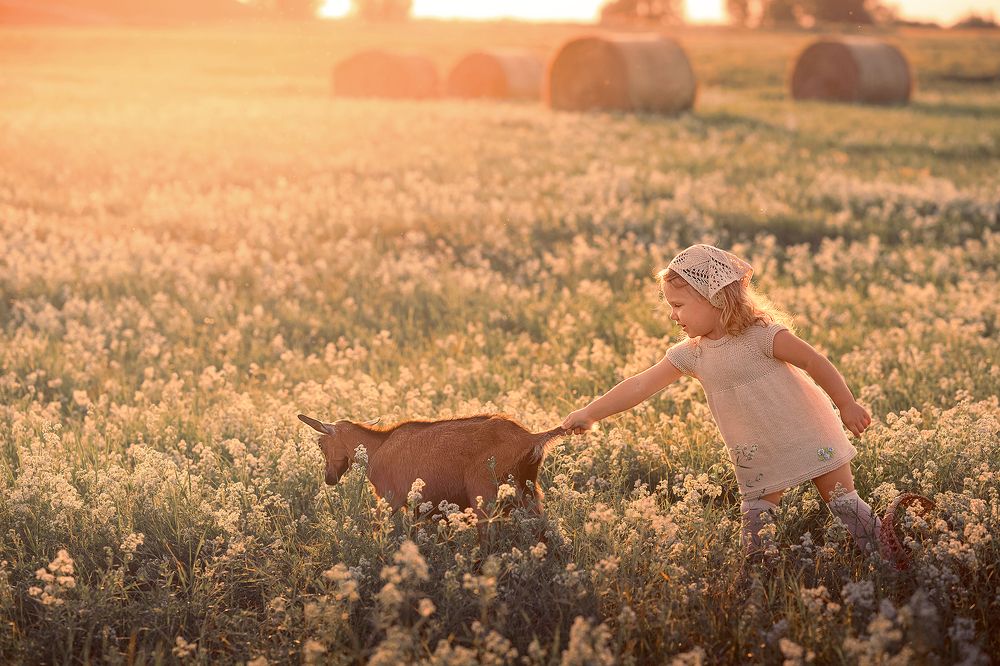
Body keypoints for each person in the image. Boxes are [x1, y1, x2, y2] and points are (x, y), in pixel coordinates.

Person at [561, 243, 885, 559]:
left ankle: (890, 558)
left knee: (844, 504)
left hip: (809, 432)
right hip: (758, 451)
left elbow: (814, 361)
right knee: (756, 519)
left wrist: (846, 404)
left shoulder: (761, 335)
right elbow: (640, 385)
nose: (673, 316)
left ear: (714, 298)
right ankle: (759, 581)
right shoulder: (692, 354)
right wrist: (591, 412)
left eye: (678, 305)